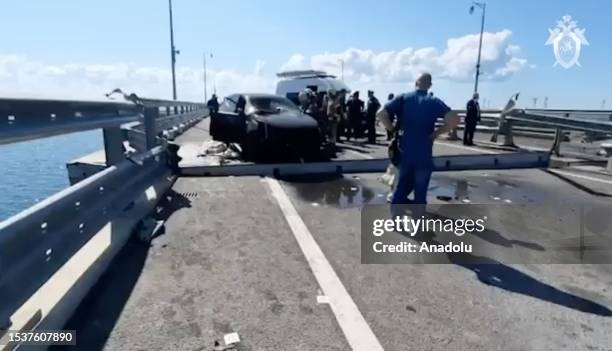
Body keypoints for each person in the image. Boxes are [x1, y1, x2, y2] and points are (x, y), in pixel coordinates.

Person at [376, 73, 459, 206]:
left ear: (416, 83)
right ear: (430, 86)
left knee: (400, 189)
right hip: (424, 154)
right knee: (420, 194)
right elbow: (455, 119)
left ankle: (395, 222)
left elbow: (380, 113)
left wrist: (392, 129)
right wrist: (436, 133)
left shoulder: (403, 98)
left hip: (405, 153)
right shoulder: (434, 101)